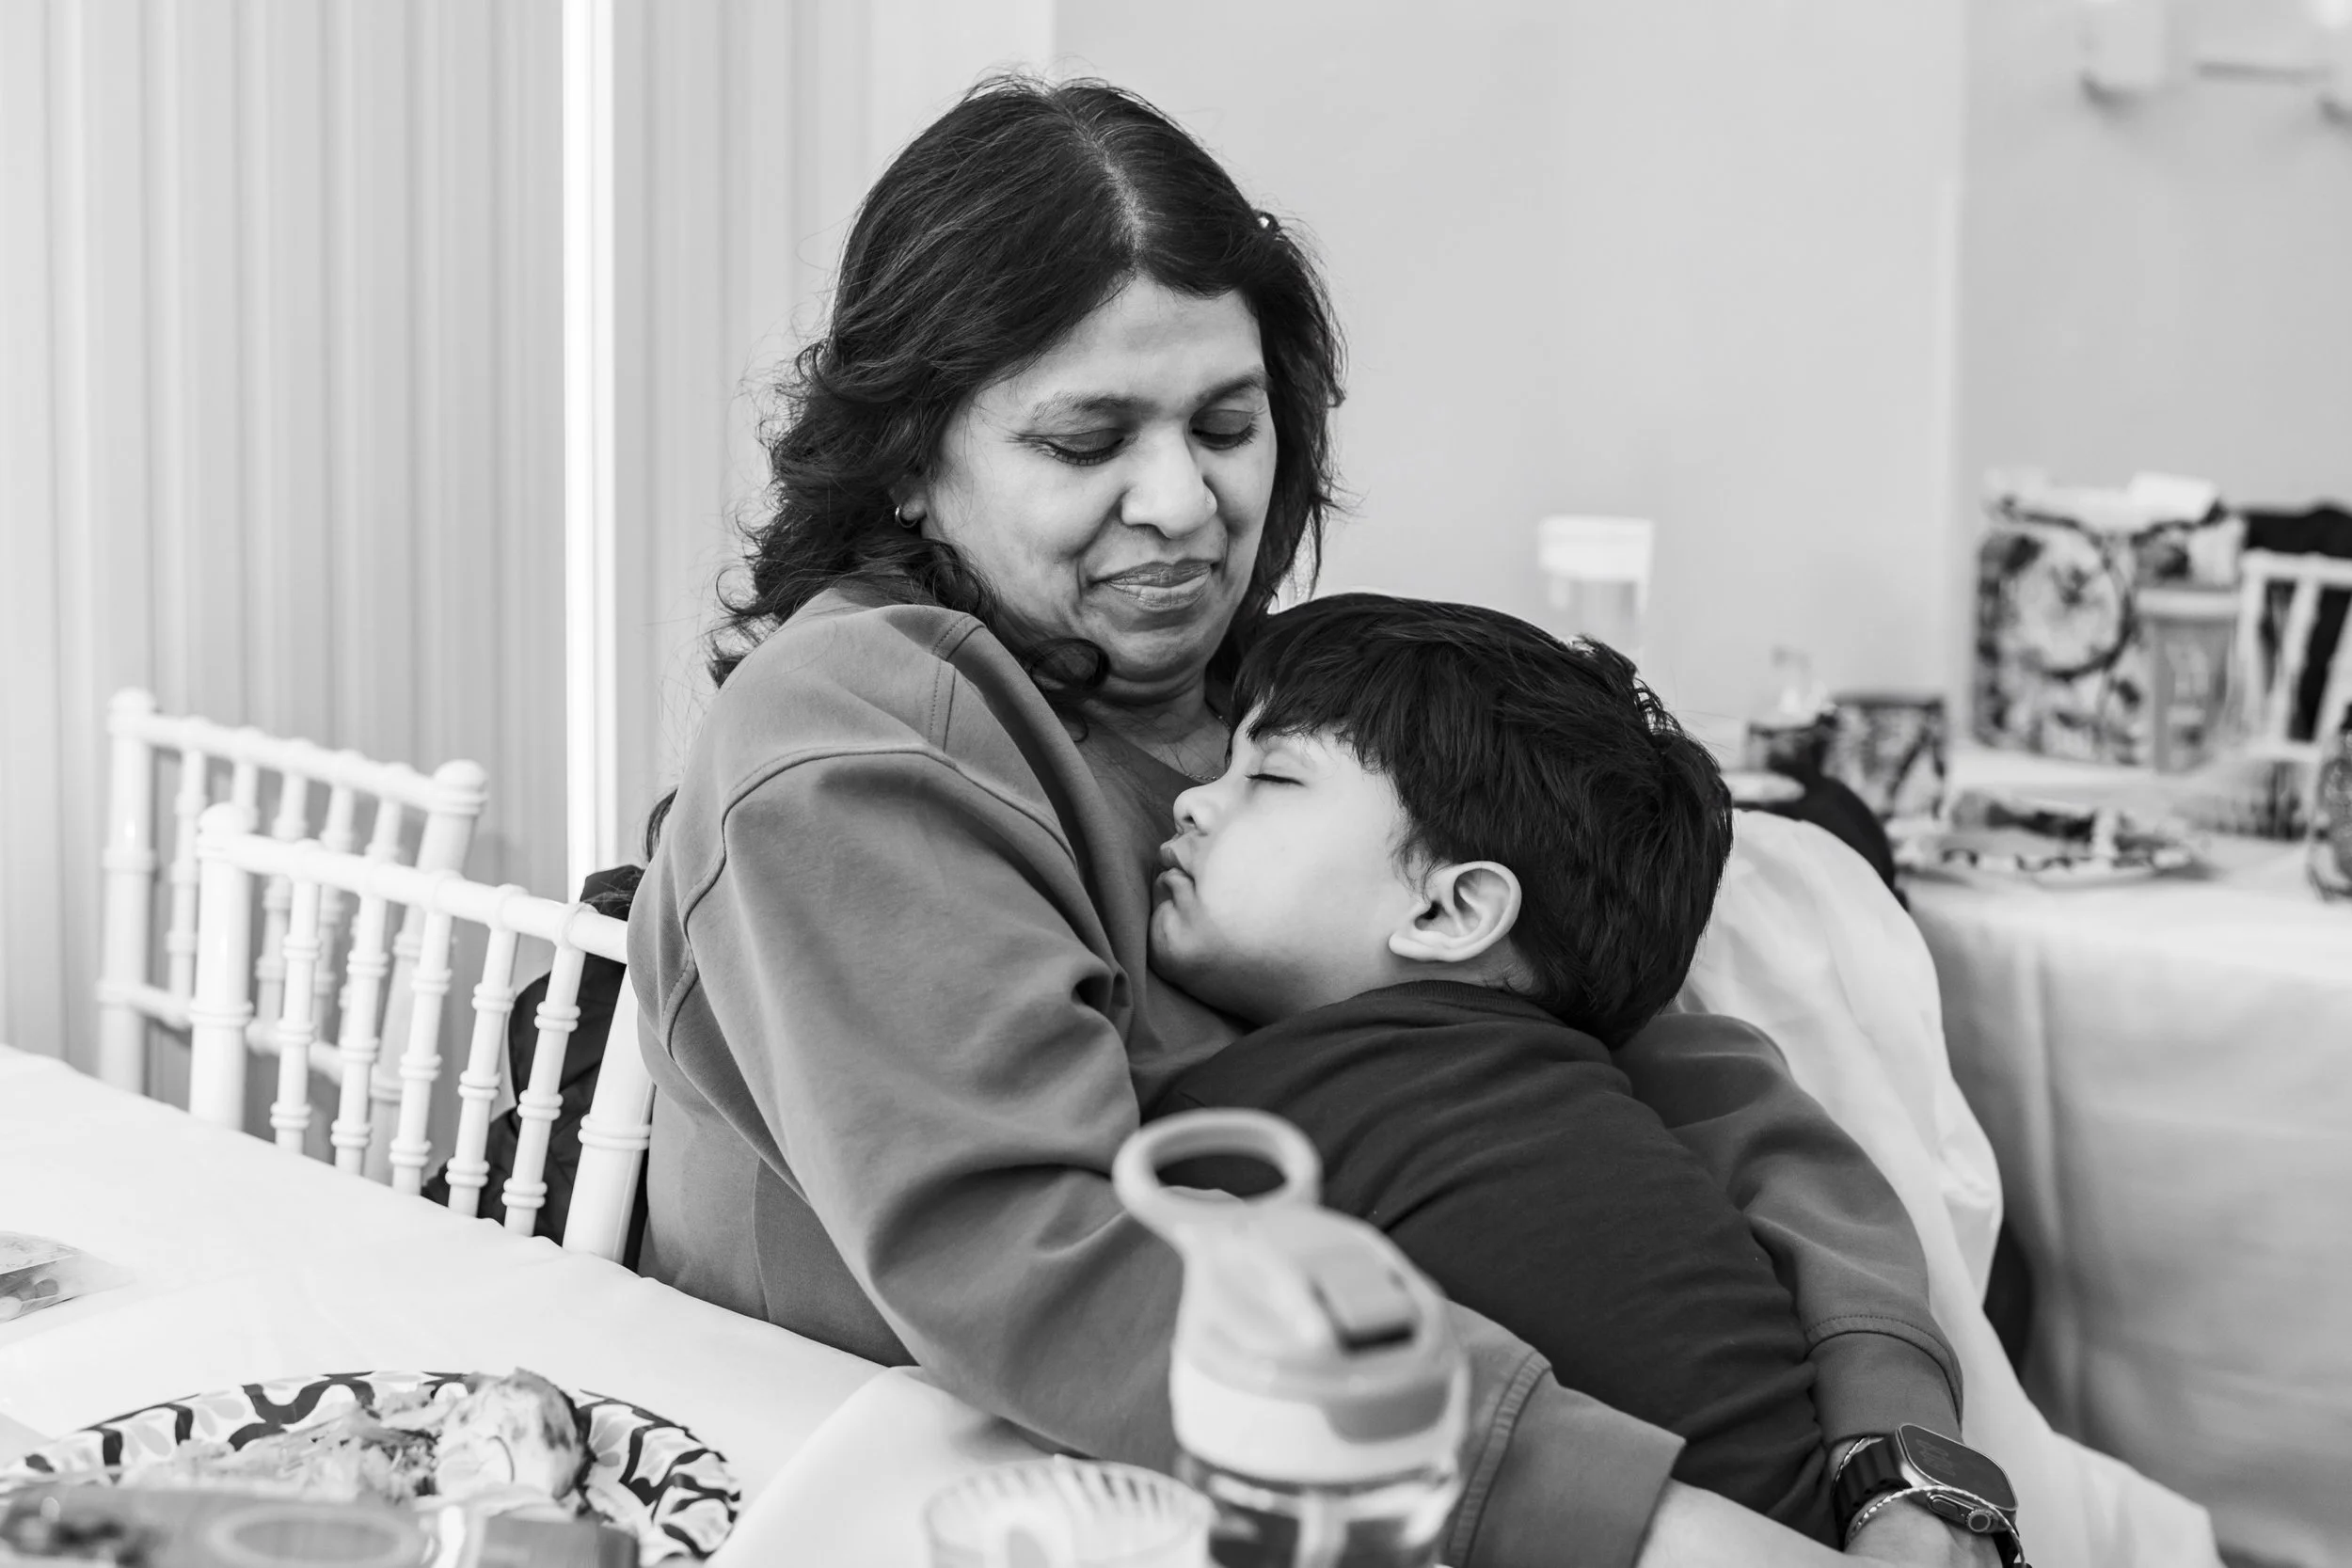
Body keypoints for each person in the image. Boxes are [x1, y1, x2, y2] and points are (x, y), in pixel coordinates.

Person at [628, 74, 1994, 1568]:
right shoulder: (853, 736)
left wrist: (1901, 1458)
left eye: (1227, 422)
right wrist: (1652, 1521)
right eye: (1085, 441)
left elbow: (1703, 1086)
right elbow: (1049, 1260)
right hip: (965, 1475)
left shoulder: (1277, 695)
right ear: (907, 456)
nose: (1182, 502)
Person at [1145, 593, 1831, 1539]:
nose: (1193, 799)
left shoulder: (1292, 1101)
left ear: (1450, 911)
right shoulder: (1545, 1092)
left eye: (1271, 776)